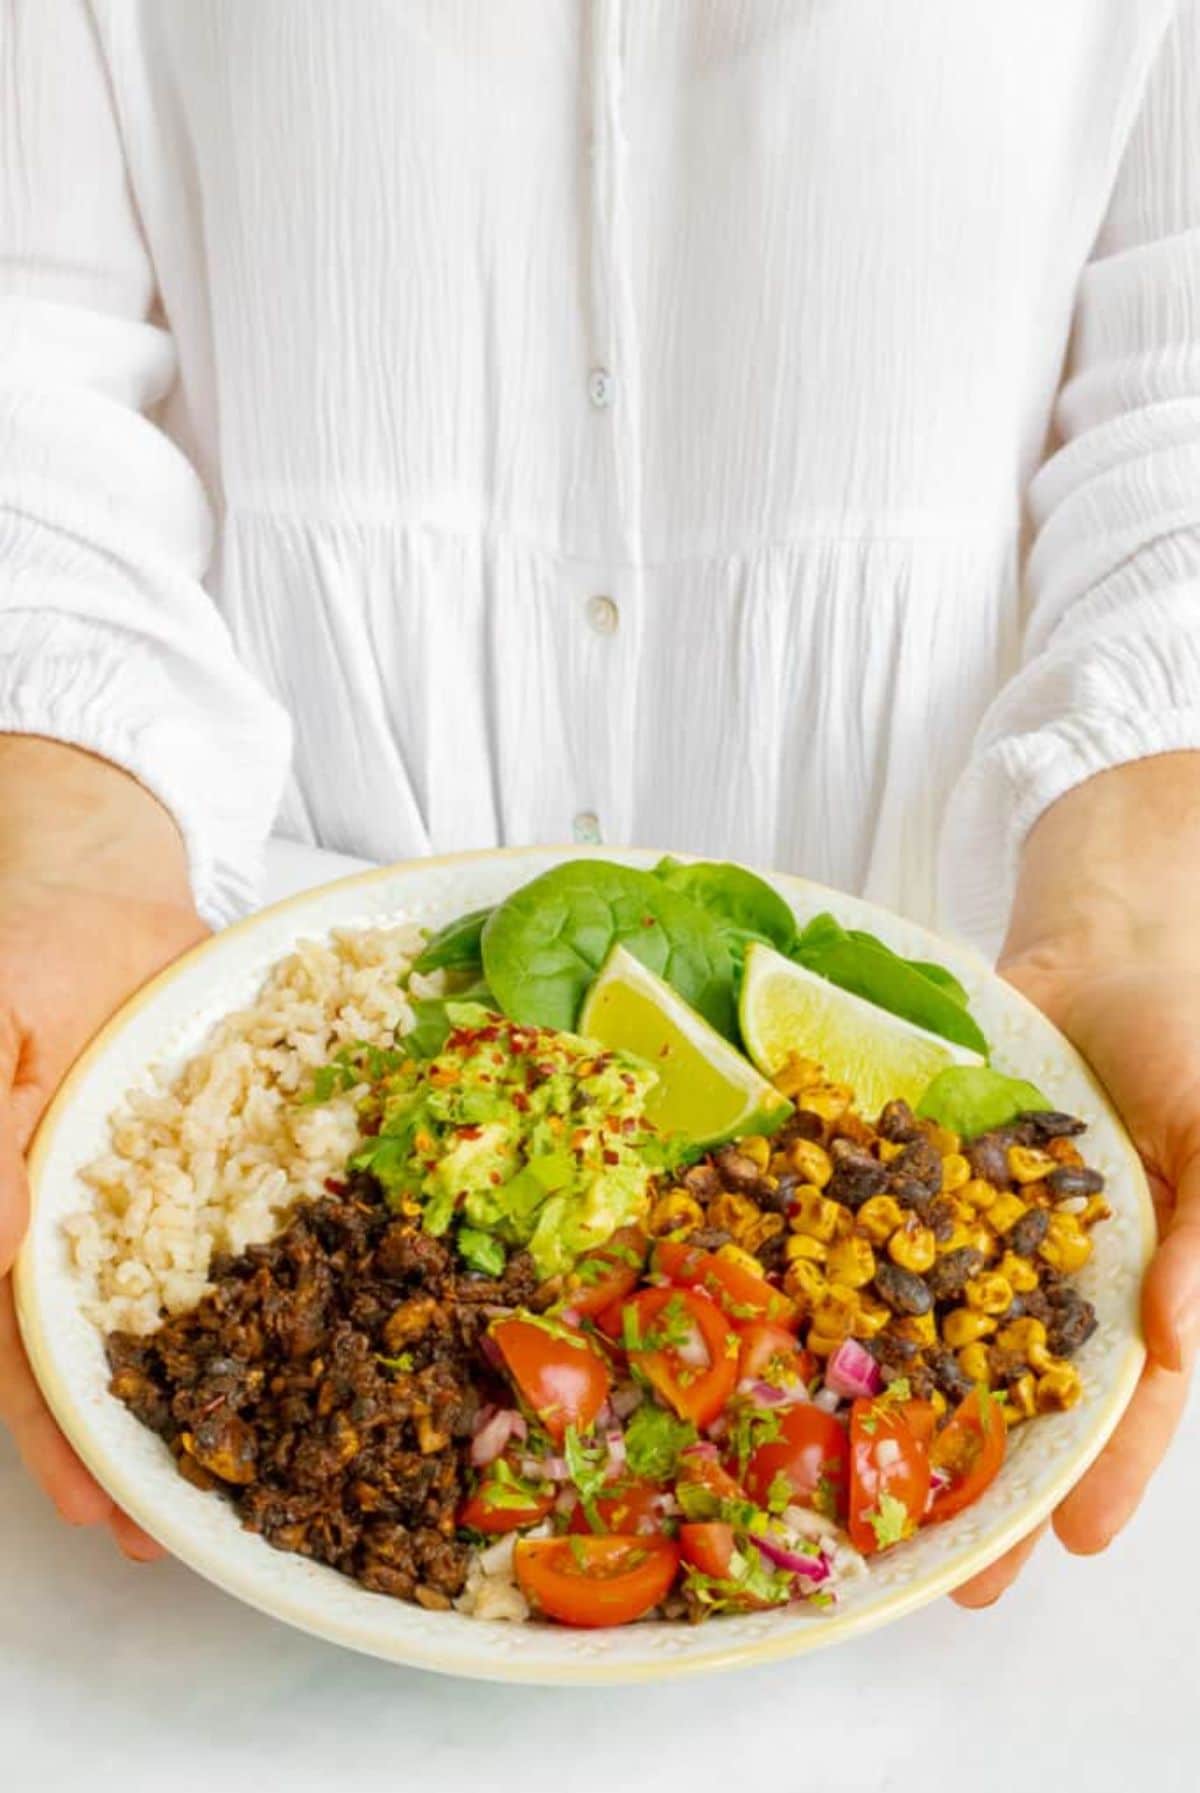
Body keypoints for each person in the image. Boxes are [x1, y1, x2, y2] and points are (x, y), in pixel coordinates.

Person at [0, 1, 1196, 1607]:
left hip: (955, 1032)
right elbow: (31, 365)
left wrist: (1148, 886)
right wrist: (57, 842)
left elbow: (1176, 392)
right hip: (246, 1015)